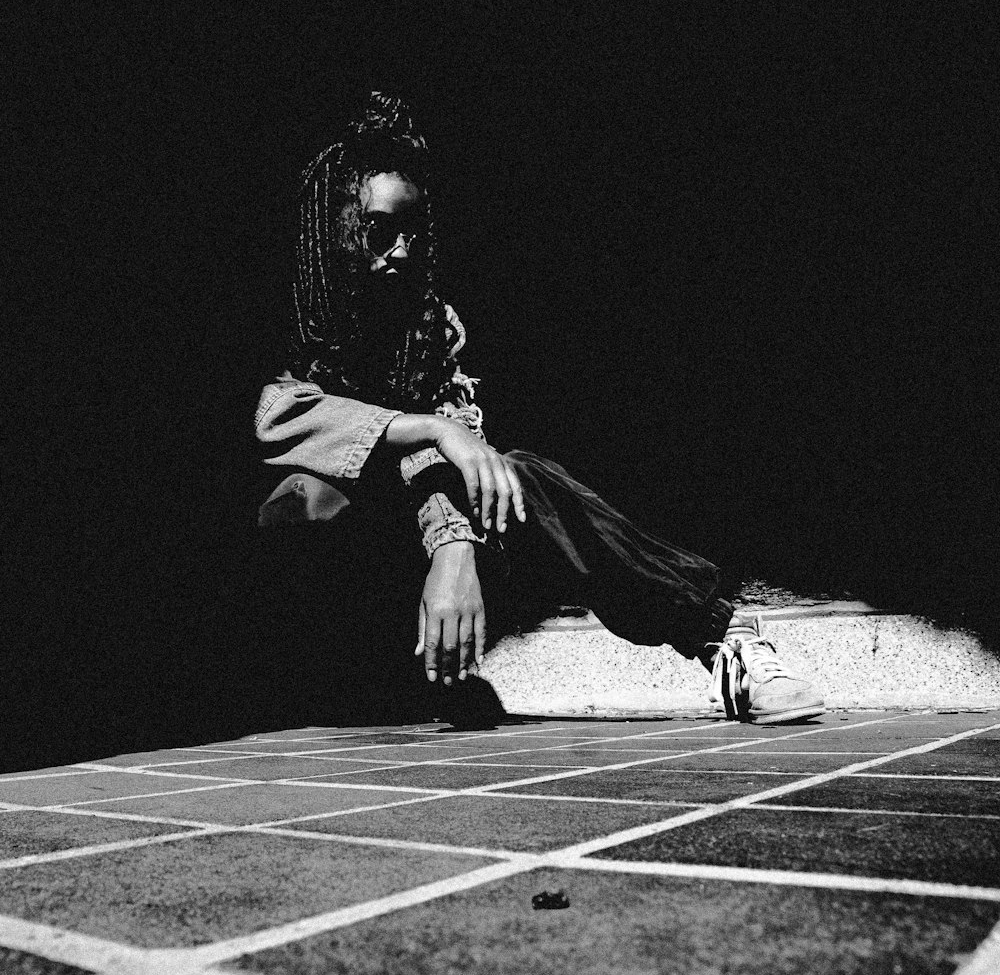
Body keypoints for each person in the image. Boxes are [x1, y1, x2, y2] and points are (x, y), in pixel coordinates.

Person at [254, 91, 823, 727]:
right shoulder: (294, 321)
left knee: (518, 478)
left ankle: (722, 639)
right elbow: (281, 419)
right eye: (381, 231)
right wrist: (432, 429)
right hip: (343, 573)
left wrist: (453, 543)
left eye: (415, 232)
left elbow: (453, 471)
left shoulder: (431, 328)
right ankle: (358, 679)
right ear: (336, 233)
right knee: (303, 501)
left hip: (429, 556)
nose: (404, 251)